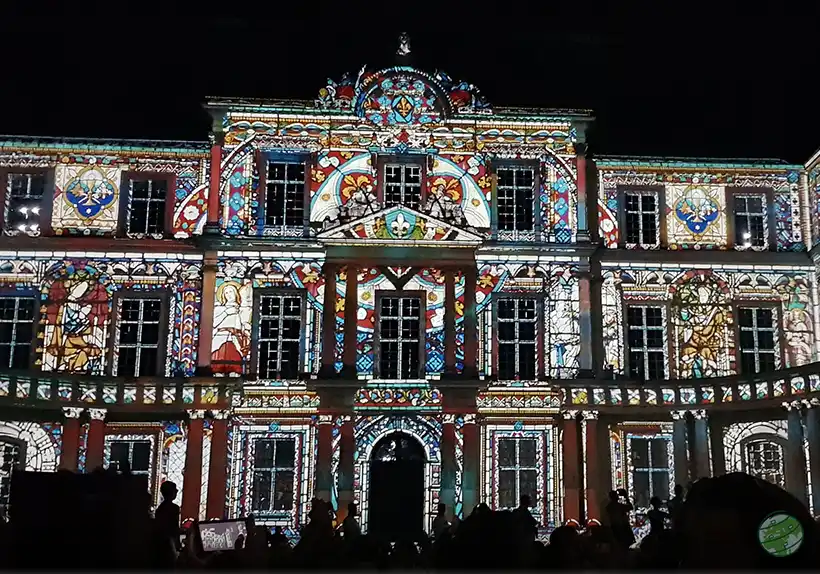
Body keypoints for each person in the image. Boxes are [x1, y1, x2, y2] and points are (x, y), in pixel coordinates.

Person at [152, 481, 181, 567]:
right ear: (171, 492)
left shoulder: (160, 509)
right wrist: (177, 544)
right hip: (169, 543)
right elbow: (175, 527)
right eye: (175, 490)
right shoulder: (174, 508)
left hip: (160, 544)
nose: (177, 491)